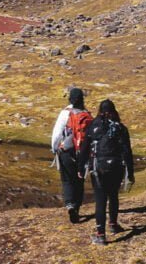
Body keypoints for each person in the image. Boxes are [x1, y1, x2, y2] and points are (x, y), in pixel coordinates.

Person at [78, 99, 135, 245]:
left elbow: (84, 148)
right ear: (114, 111)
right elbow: (127, 152)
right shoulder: (121, 128)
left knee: (100, 199)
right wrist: (130, 173)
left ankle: (100, 234)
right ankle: (113, 224)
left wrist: (81, 168)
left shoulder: (93, 126)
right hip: (116, 167)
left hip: (98, 168)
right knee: (113, 195)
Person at [50, 87, 92, 223]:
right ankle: (77, 207)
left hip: (66, 151)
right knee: (79, 180)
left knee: (67, 179)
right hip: (82, 152)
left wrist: (54, 148)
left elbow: (57, 133)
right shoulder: (87, 114)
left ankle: (70, 205)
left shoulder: (65, 113)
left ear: (70, 99)